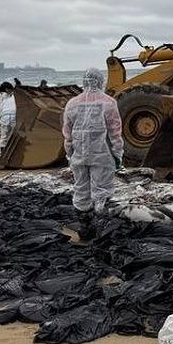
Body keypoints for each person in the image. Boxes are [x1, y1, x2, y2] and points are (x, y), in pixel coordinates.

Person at [61, 68, 124, 232]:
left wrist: (70, 154)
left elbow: (67, 134)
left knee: (81, 190)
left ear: (84, 81)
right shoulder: (109, 102)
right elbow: (115, 133)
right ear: (100, 81)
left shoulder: (72, 103)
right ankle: (102, 230)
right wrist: (118, 155)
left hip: (79, 155)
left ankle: (85, 227)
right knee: (102, 191)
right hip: (102, 155)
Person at [0, 82, 17, 150]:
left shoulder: (5, 99)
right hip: (14, 117)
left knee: (4, 137)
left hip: (4, 118)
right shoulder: (15, 97)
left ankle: (3, 153)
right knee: (12, 136)